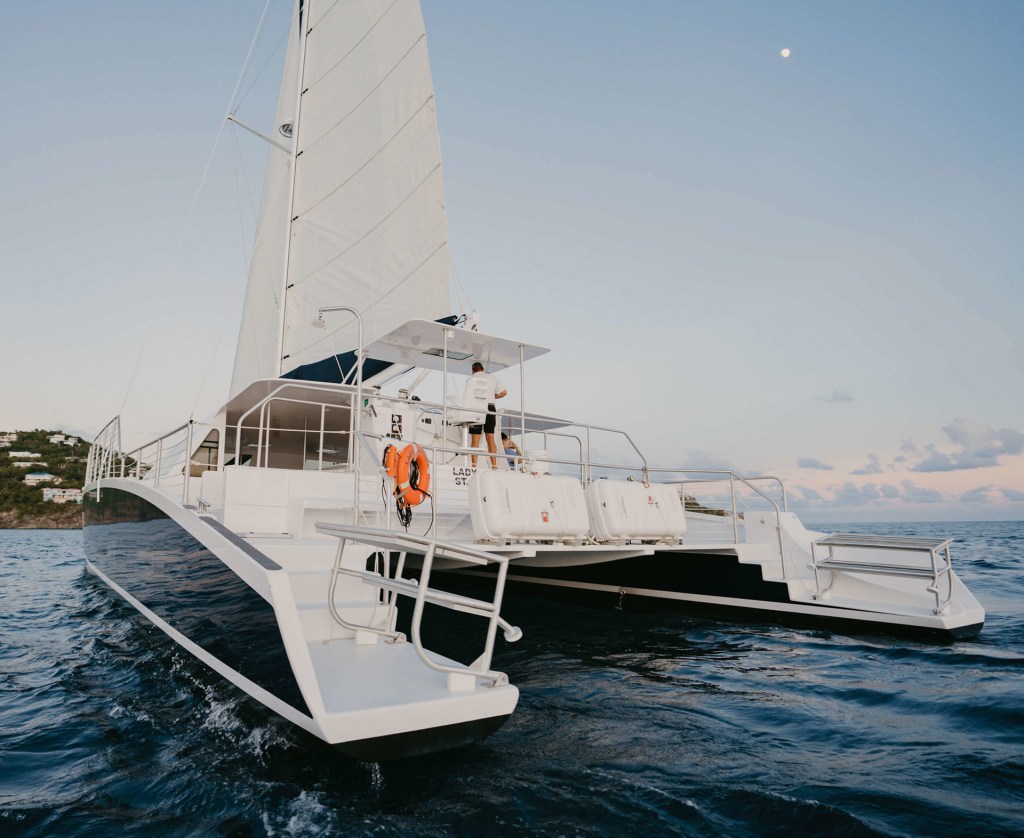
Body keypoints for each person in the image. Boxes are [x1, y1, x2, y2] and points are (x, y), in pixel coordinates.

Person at [465, 361, 507, 468]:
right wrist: (493, 397)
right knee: (490, 437)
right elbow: (503, 392)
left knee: (475, 439)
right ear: (483, 369)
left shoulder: (470, 379)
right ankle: (494, 465)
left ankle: (474, 465)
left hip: (476, 407)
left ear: (473, 370)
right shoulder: (492, 377)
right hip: (490, 407)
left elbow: (467, 397)